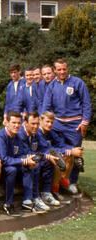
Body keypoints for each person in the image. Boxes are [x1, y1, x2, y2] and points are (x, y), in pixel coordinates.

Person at [42, 59, 92, 196]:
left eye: (64, 69)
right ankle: (57, 183)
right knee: (59, 153)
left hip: (74, 125)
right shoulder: (51, 86)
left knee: (75, 154)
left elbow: (86, 104)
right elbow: (46, 106)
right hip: (57, 124)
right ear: (55, 70)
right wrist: (46, 123)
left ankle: (72, 183)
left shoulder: (77, 83)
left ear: (67, 68)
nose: (62, 72)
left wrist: (84, 122)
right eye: (59, 69)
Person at [0, 111, 37, 217]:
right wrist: (24, 160)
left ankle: (28, 200)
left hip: (9, 164)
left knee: (30, 166)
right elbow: (4, 159)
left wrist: (30, 159)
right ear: (7, 123)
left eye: (19, 123)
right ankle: (8, 203)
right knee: (12, 170)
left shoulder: (17, 136)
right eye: (13, 122)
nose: (16, 125)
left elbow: (22, 154)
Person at [17, 111, 60, 213]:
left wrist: (51, 156)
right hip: (17, 163)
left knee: (49, 161)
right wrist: (45, 156)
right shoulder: (20, 135)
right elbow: (27, 154)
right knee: (35, 164)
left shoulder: (35, 134)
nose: (35, 126)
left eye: (37, 124)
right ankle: (33, 198)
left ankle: (46, 193)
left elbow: (45, 148)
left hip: (30, 160)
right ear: (25, 123)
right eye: (33, 124)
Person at [37, 111, 79, 205]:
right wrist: (68, 151)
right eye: (47, 121)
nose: (49, 124)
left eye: (51, 122)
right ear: (40, 120)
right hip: (39, 157)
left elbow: (61, 145)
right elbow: (47, 149)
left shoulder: (51, 132)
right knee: (56, 160)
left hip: (48, 156)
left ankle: (63, 183)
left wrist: (71, 150)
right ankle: (54, 190)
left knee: (69, 156)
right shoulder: (38, 132)